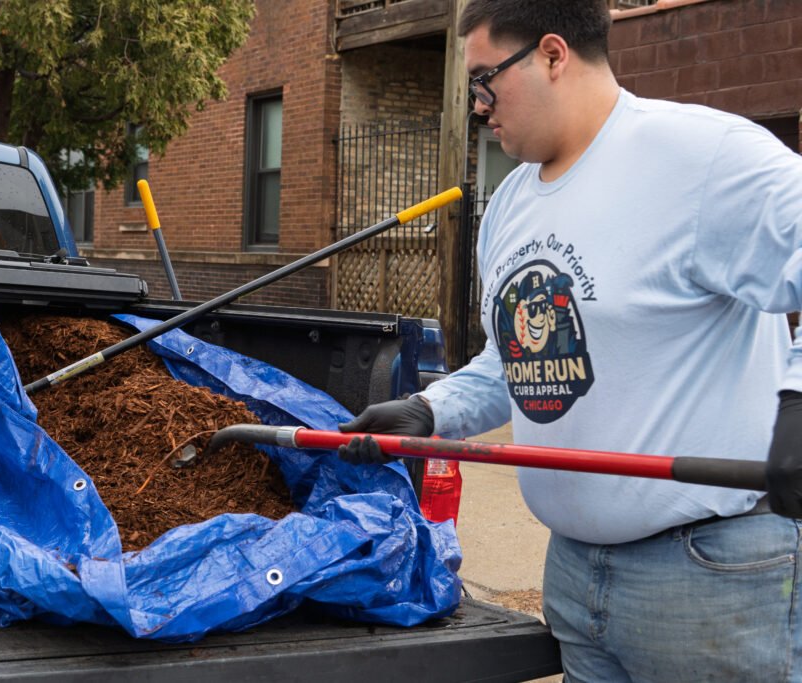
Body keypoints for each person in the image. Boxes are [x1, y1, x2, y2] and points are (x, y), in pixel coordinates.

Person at [336, 1, 802, 680]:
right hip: (574, 576)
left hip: (709, 580)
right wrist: (433, 409)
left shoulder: (703, 160)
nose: (477, 105)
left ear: (553, 55)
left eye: (486, 80)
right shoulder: (511, 204)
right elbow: (514, 361)